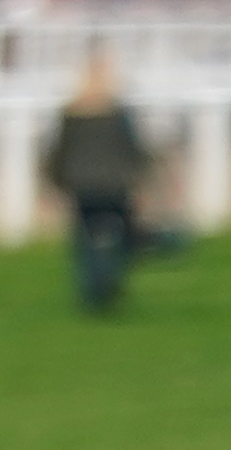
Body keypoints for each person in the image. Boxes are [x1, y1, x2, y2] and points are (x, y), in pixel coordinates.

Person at [48, 47, 160, 316]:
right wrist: (145, 175)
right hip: (114, 184)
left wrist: (56, 180)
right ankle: (110, 283)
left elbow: (61, 151)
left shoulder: (71, 114)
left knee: (85, 239)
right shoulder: (117, 113)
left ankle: (91, 290)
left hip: (82, 185)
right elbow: (130, 148)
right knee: (120, 237)